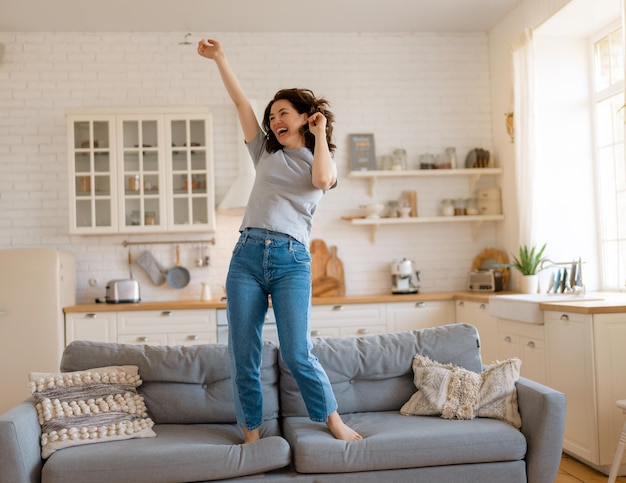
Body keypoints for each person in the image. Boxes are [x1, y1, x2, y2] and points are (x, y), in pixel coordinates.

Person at [197, 38, 363, 444]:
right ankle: (252, 434)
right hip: (247, 258)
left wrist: (320, 132)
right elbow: (241, 105)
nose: (274, 121)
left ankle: (332, 420)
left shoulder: (321, 160)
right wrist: (220, 58)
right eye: (272, 116)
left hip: (291, 260)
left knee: (296, 351)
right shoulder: (263, 154)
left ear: (307, 118)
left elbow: (323, 181)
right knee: (244, 352)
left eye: (283, 113)